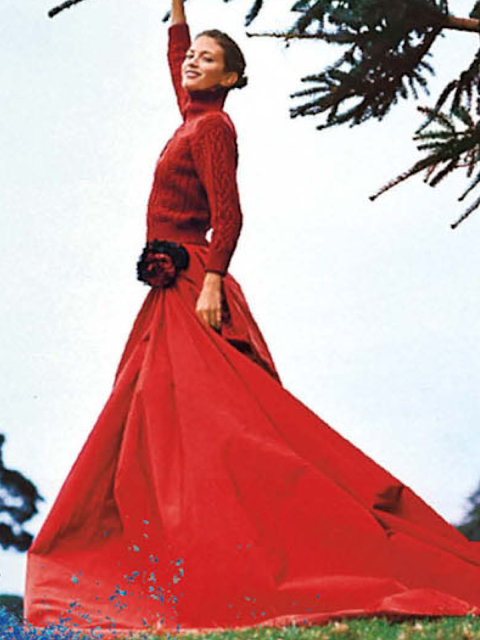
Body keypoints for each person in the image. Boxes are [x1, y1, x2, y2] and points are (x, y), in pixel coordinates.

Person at [24, 0, 480, 637]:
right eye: (191, 55)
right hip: (171, 292)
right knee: (153, 416)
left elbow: (230, 214)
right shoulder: (192, 116)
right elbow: (176, 61)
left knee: (215, 426)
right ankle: (168, 555)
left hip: (194, 286)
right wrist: (178, 12)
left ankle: (232, 552)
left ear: (231, 78)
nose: (191, 62)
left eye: (207, 59)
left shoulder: (214, 128)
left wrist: (212, 280)